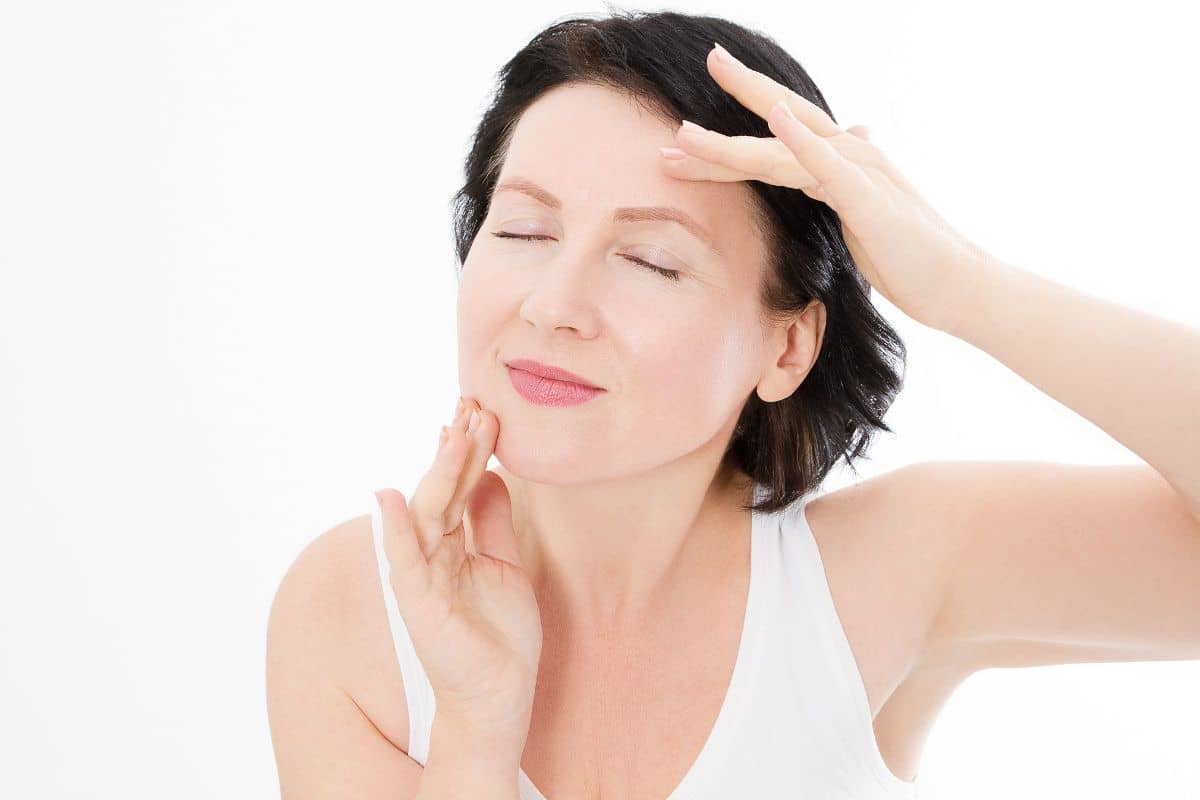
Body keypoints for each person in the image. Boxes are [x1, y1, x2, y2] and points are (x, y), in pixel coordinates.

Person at [267, 10, 1200, 800]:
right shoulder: (355, 609)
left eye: (650, 260)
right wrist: (475, 728)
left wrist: (965, 288)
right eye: (523, 229)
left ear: (788, 344)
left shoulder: (891, 573)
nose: (552, 304)